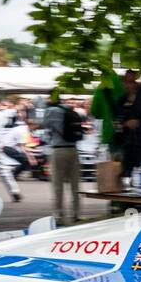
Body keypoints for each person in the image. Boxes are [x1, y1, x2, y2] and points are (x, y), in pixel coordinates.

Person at [42, 88, 83, 223]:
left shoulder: (50, 111)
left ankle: (59, 216)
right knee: (75, 184)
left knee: (58, 185)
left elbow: (46, 127)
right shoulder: (69, 110)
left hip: (58, 150)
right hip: (73, 149)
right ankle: (76, 214)